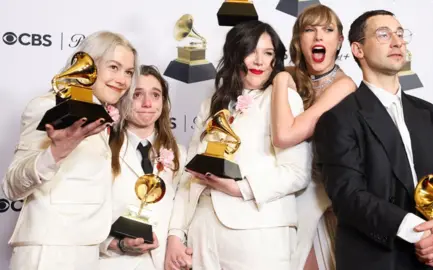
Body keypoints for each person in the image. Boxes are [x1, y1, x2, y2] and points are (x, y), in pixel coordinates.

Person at [313, 10, 433, 269]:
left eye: (400, 34)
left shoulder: (431, 115)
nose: (398, 42)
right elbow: (348, 194)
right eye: (384, 34)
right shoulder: (338, 119)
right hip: (382, 257)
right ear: (358, 49)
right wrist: (419, 230)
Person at [164, 20, 311, 270]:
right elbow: (189, 175)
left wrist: (239, 188)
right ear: (235, 54)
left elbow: (297, 173)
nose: (259, 61)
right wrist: (175, 234)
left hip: (259, 231)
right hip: (202, 231)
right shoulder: (212, 102)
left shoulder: (282, 97)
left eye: (268, 53)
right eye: (251, 51)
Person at [2, 31, 138, 270]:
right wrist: (56, 153)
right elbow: (11, 186)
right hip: (48, 254)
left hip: (87, 254)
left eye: (128, 72)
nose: (122, 80)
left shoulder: (102, 122)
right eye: (113, 67)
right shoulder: (47, 106)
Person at [271, 4, 356, 269]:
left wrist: (280, 80)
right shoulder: (289, 75)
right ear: (299, 39)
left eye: (328, 30)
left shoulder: (344, 86)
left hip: (321, 191)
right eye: (310, 30)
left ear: (339, 41)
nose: (319, 37)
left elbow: (286, 135)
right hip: (282, 186)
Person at [98, 65, 188, 269]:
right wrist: (115, 244)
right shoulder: (100, 148)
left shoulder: (180, 153)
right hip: (114, 263)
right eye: (137, 94)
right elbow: (83, 213)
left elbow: (184, 206)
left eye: (155, 95)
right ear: (121, 98)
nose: (147, 103)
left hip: (164, 262)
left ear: (163, 102)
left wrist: (176, 242)